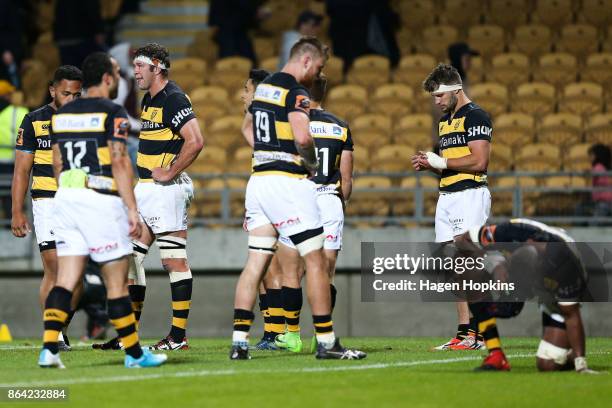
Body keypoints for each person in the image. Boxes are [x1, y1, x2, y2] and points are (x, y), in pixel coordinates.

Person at [230, 36, 365, 360]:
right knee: (315, 261)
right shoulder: (295, 92)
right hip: (287, 182)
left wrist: (267, 151)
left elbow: (247, 128)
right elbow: (304, 136)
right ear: (306, 60)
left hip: (258, 182)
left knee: (256, 263)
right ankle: (327, 342)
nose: (316, 73)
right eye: (318, 67)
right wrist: (310, 162)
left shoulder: (264, 89)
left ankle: (238, 342)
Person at [38, 51, 166, 368]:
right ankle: (135, 355)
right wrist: (132, 209)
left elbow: (57, 161)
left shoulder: (61, 115)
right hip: (100, 198)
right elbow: (120, 160)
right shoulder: (113, 112)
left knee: (66, 280)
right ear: (108, 79)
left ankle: (49, 349)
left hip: (65, 197)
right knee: (116, 282)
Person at [104, 43, 203, 352]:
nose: (134, 72)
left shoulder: (173, 98)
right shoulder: (150, 99)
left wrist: (170, 170)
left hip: (165, 191)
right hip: (146, 189)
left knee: (174, 260)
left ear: (157, 66)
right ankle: (128, 336)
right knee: (130, 257)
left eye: (140, 66)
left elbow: (196, 140)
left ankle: (178, 336)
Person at [412, 63, 492, 351]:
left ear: (455, 90)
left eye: (439, 96)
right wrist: (432, 166)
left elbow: (479, 161)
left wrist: (441, 161)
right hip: (447, 196)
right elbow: (452, 167)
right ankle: (463, 332)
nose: (436, 102)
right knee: (453, 266)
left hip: (470, 195)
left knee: (468, 263)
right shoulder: (446, 121)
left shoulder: (477, 115)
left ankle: (481, 333)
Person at [274, 74, 354, 354]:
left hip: (299, 196)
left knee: (291, 270)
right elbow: (347, 180)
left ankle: (292, 336)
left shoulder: (291, 123)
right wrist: (338, 203)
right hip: (330, 198)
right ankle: (323, 335)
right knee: (326, 271)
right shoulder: (341, 126)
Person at [455, 218, 599, 373]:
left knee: (547, 365)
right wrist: (497, 263)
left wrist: (581, 364)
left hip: (555, 291)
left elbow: (571, 315)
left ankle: (568, 352)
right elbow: (463, 240)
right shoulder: (508, 232)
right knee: (469, 273)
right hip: (519, 265)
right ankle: (496, 355)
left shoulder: (565, 268)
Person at [12, 65, 83, 351]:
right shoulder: (34, 121)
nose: (71, 99)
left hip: (78, 202)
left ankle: (60, 327)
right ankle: (54, 334)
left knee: (76, 274)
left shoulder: (87, 119)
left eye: (76, 94)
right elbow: (21, 171)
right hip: (47, 201)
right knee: (54, 268)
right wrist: (17, 211)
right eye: (66, 93)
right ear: (53, 90)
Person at [239, 68, 287, 351]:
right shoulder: (261, 124)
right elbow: (246, 131)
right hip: (261, 196)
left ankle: (278, 331)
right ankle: (272, 331)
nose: (242, 94)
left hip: (275, 195)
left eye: (247, 89)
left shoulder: (276, 122)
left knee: (272, 267)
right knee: (262, 269)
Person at [0, 80, 28, 221]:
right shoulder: (24, 113)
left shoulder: (3, 114)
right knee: (18, 188)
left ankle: (7, 219)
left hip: (2, 160)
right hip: (18, 159)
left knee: (5, 193)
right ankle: (18, 216)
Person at [588, 144, 612, 218]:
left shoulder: (598, 166)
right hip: (604, 201)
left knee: (594, 224)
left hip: (604, 202)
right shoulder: (604, 167)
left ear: (597, 156)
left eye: (591, 155)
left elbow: (592, 174)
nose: (589, 158)